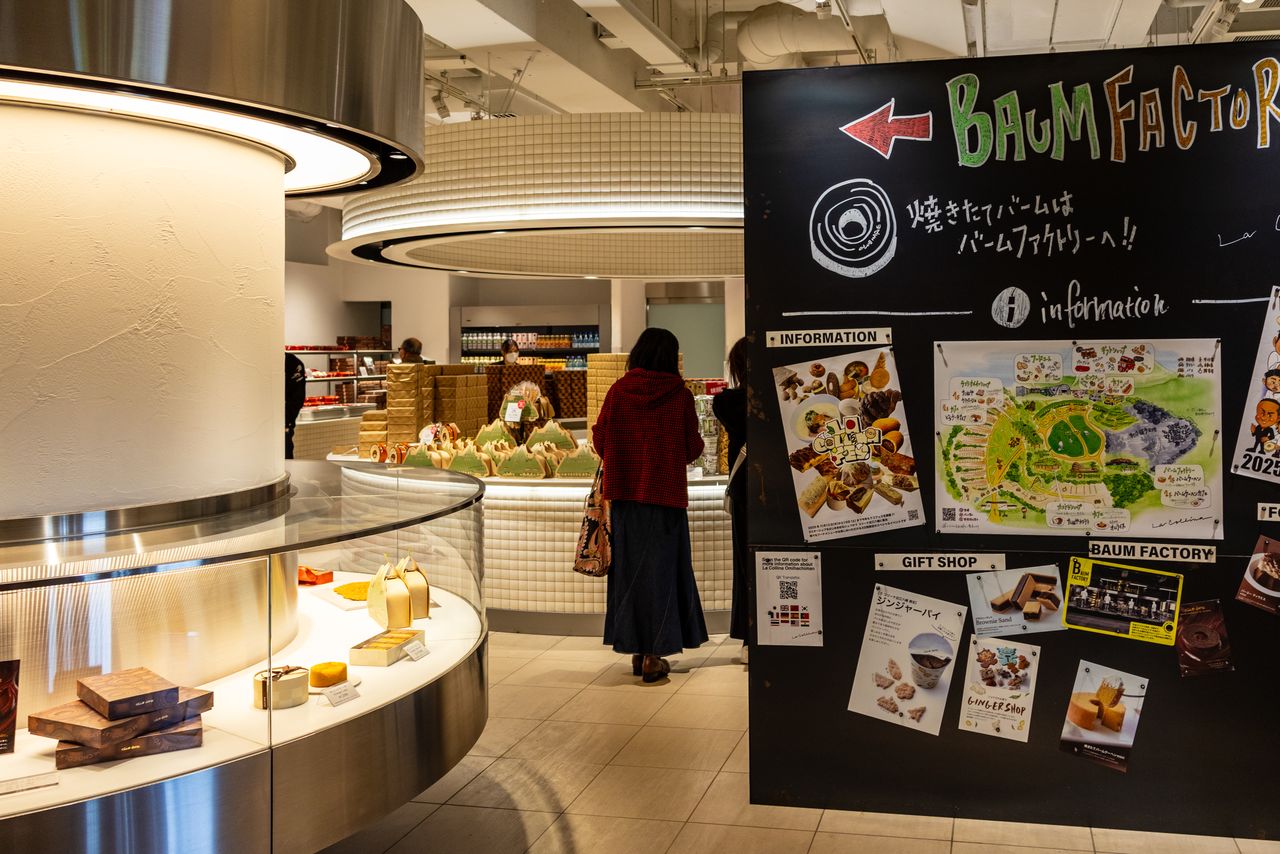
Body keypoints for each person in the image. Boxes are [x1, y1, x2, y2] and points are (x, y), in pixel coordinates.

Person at [593, 328, 708, 682]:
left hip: (626, 499)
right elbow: (692, 449)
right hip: (666, 498)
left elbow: (600, 439)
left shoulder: (618, 392)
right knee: (663, 575)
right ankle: (653, 656)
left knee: (630, 575)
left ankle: (636, 648)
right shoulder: (680, 396)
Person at [713, 337, 750, 663]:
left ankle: (747, 639)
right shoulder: (784, 399)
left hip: (744, 490)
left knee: (744, 564)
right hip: (784, 491)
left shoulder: (726, 403)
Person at [284, 353, 306, 459]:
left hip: (284, 429)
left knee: (285, 466)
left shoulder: (292, 363)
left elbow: (297, 399)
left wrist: (286, 421)